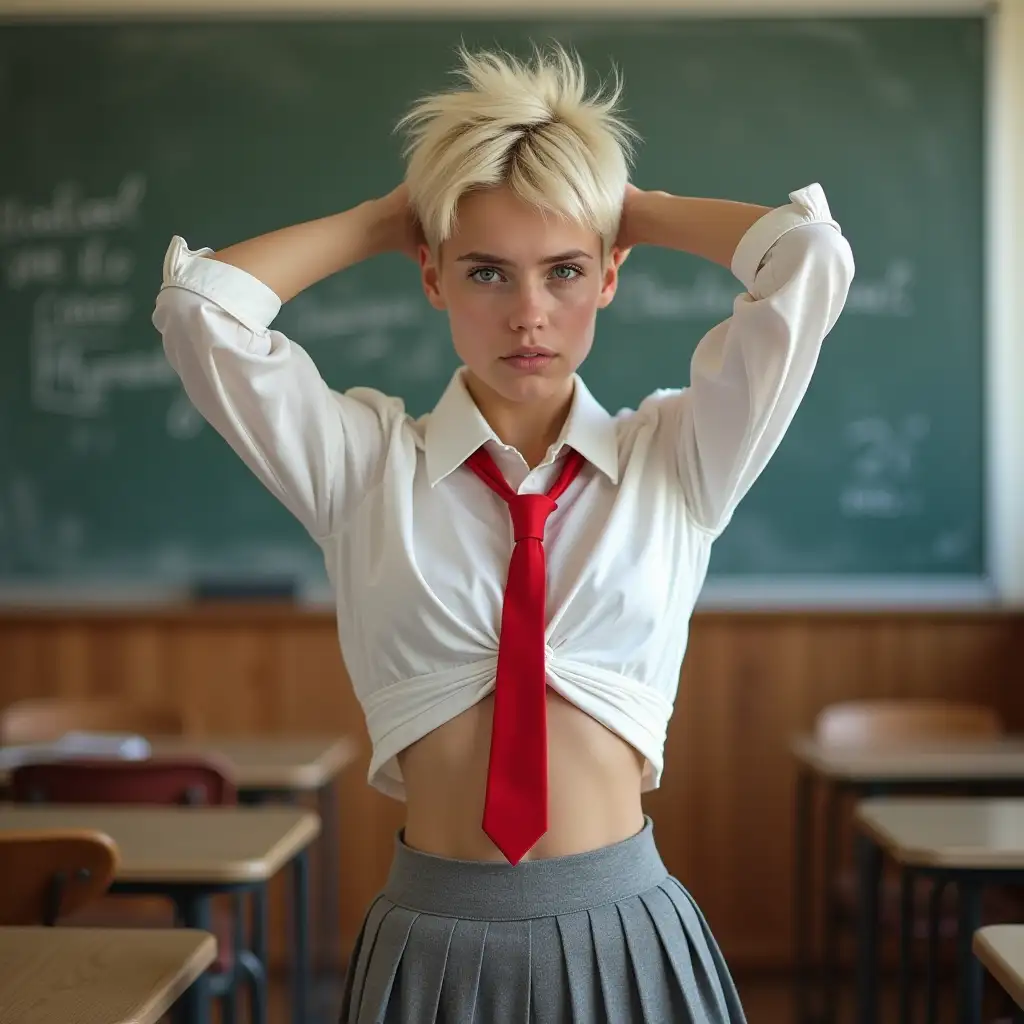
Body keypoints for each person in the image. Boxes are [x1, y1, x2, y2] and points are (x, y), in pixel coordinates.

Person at [153, 43, 853, 1024]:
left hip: (628, 933)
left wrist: (627, 205)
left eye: (564, 271)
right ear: (432, 278)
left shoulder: (680, 458)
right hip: (431, 943)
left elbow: (810, 262)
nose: (529, 314)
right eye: (486, 272)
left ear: (611, 274)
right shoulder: (364, 468)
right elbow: (197, 313)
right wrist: (385, 221)